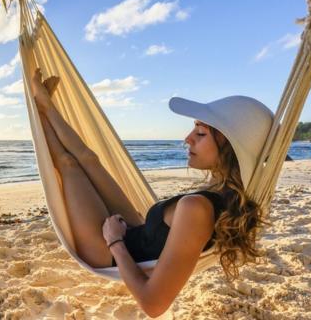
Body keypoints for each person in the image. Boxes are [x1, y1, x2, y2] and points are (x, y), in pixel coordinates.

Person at [29, 68, 273, 317]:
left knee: (68, 164)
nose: (187, 139)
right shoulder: (223, 192)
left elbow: (153, 305)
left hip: (106, 249)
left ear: (230, 148)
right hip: (137, 231)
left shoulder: (197, 208)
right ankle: (47, 108)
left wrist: (115, 242)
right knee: (89, 160)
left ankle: (39, 111)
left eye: (200, 134)